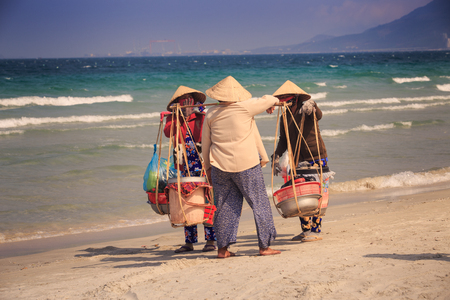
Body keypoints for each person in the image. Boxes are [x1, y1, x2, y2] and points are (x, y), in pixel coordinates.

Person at [202, 76, 281, 258]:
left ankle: (222, 250)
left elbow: (205, 143)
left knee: (224, 206)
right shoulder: (245, 107)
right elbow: (269, 99)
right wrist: (273, 103)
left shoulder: (211, 113)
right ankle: (264, 246)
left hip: (219, 166)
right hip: (246, 165)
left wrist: (207, 167)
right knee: (259, 203)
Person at [268, 80, 334, 242]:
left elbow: (319, 115)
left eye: (286, 98)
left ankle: (316, 230)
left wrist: (313, 105)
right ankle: (305, 230)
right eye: (281, 98)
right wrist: (276, 156)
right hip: (296, 159)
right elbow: (283, 140)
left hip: (315, 157)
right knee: (300, 193)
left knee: (318, 193)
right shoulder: (284, 115)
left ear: (296, 98)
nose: (284, 101)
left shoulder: (307, 110)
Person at [164, 86, 216, 253]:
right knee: (187, 202)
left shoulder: (201, 116)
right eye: (183, 100)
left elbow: (208, 133)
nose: (187, 103)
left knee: (207, 200)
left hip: (202, 165)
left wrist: (196, 114)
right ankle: (189, 242)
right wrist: (180, 118)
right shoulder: (172, 119)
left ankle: (210, 240)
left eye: (189, 100)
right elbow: (167, 133)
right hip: (184, 166)